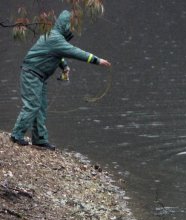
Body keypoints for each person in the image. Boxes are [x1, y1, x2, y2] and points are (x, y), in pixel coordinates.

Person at [10, 10, 111, 150]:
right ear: (65, 25)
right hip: (31, 74)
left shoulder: (52, 36)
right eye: (71, 26)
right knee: (32, 105)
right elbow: (74, 52)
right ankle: (16, 135)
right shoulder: (55, 38)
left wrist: (63, 66)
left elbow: (56, 53)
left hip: (39, 76)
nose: (72, 30)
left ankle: (40, 139)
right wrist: (97, 60)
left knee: (41, 107)